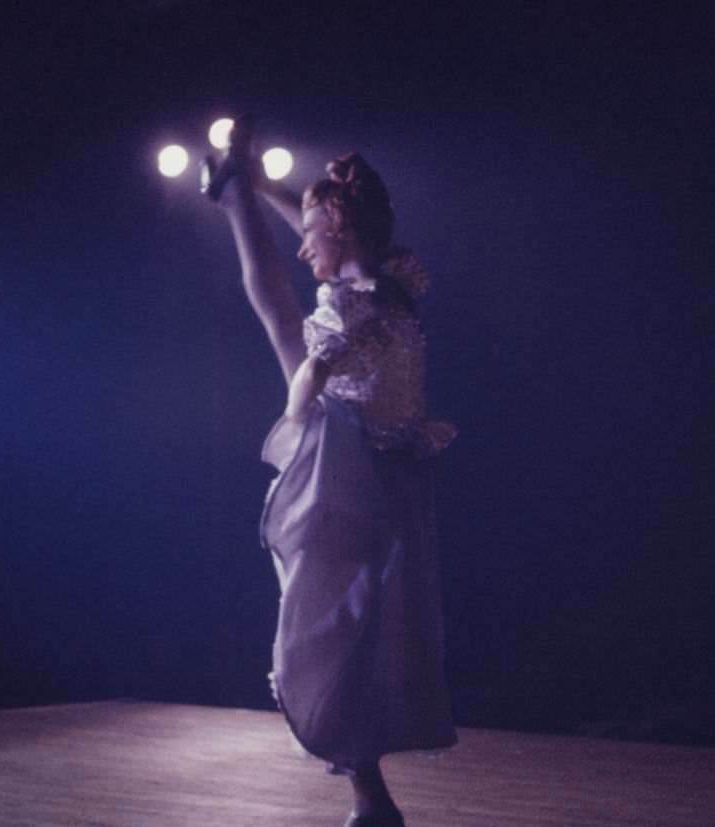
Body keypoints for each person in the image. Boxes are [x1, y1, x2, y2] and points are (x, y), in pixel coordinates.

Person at [214, 115, 457, 827]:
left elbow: (309, 374)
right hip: (375, 463)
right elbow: (328, 224)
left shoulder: (360, 303)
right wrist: (267, 187)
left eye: (313, 233)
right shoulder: (392, 278)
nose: (303, 241)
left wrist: (296, 414)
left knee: (351, 630)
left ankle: (369, 796)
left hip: (352, 462)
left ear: (342, 232)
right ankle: (370, 798)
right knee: (349, 629)